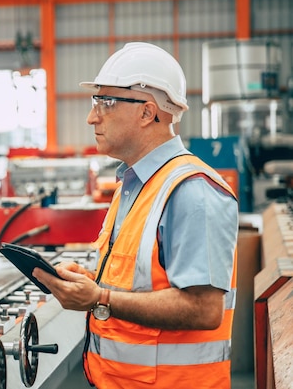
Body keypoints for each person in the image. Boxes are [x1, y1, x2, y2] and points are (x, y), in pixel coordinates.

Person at [33, 42, 239, 389]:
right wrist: (93, 282)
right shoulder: (134, 183)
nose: (92, 117)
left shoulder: (191, 191)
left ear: (147, 113)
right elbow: (142, 281)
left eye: (106, 103)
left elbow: (204, 309)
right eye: (95, 102)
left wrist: (99, 299)